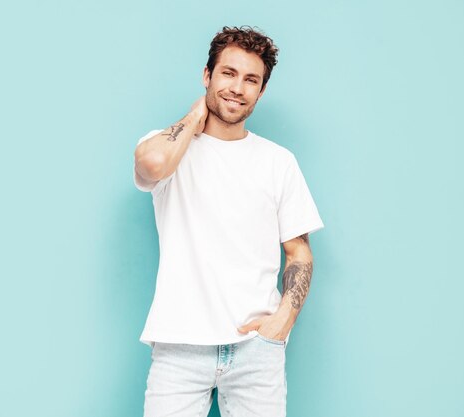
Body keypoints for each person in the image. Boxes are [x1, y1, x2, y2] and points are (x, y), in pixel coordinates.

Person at [133, 26, 324, 417]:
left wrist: (282, 321)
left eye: (251, 79)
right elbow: (151, 165)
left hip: (256, 350)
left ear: (261, 91)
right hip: (179, 346)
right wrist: (194, 115)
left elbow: (298, 251)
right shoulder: (169, 147)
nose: (238, 87)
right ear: (207, 76)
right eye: (228, 73)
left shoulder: (278, 161)